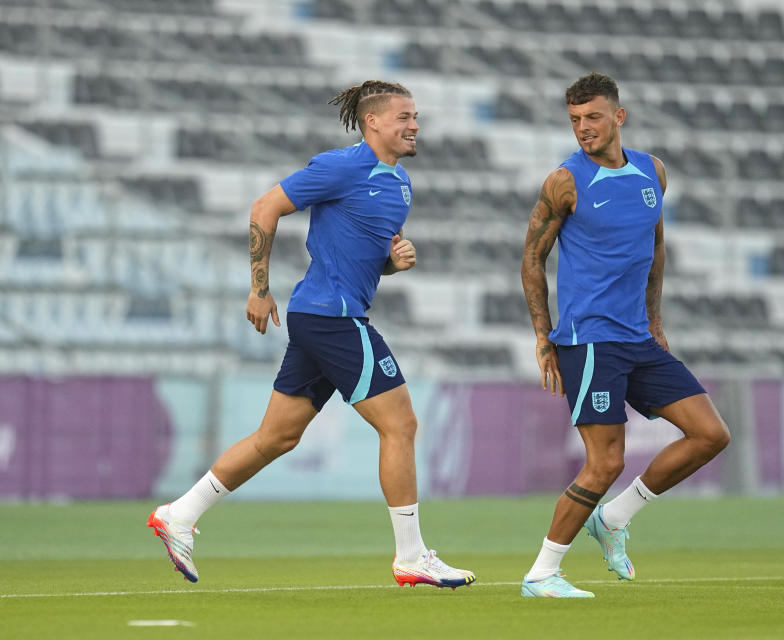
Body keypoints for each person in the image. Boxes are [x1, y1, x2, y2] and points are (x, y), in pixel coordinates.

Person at [147, 80, 475, 590]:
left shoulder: (401, 184)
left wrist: (392, 263)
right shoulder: (341, 166)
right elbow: (264, 208)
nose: (415, 125)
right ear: (373, 123)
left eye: (416, 117)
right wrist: (259, 288)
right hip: (332, 317)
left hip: (325, 316)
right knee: (401, 425)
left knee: (276, 437)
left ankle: (180, 515)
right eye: (404, 117)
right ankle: (412, 555)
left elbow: (366, 261)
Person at [518, 72, 730, 598]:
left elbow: (655, 250)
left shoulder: (651, 171)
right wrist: (544, 336)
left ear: (619, 116)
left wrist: (655, 321)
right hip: (589, 339)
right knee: (606, 460)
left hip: (638, 337)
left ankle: (615, 518)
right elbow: (531, 257)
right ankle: (542, 572)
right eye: (573, 120)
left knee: (711, 435)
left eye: (592, 117)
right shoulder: (565, 182)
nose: (583, 128)